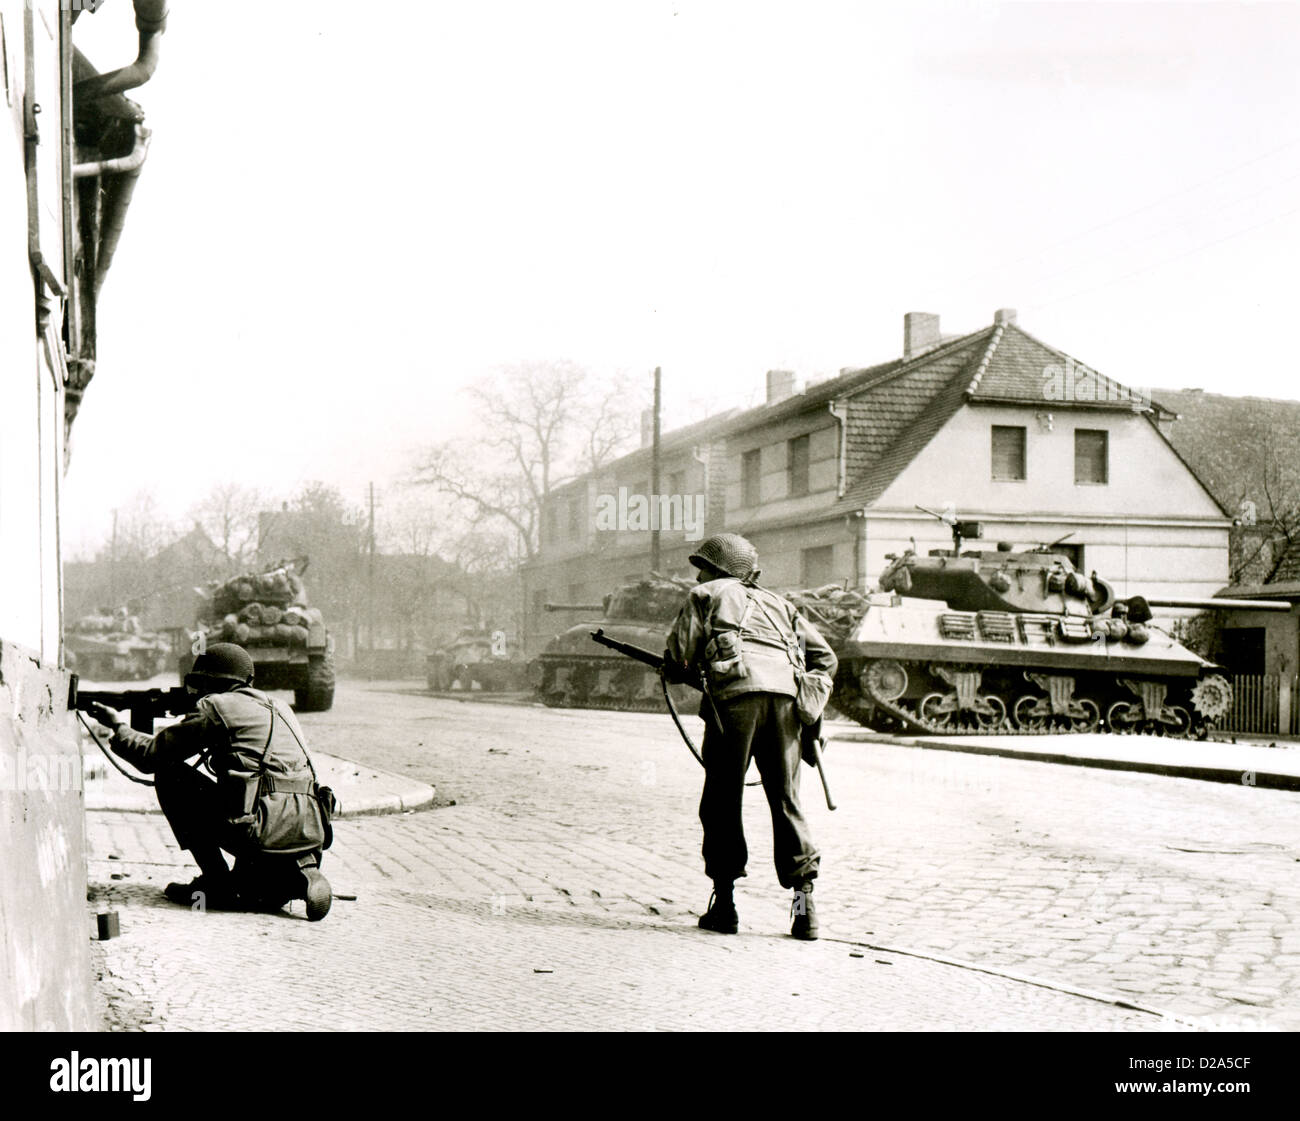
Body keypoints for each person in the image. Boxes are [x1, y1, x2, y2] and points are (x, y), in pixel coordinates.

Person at [665, 532, 838, 940]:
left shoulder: (705, 596)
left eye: (702, 568)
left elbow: (678, 657)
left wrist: (682, 668)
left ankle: (724, 907)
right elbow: (825, 658)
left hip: (735, 704)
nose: (697, 576)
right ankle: (804, 910)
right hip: (786, 708)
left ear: (718, 570)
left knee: (724, 799)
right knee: (787, 802)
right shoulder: (781, 604)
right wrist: (808, 706)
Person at [85, 643, 333, 921]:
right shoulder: (280, 707)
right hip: (310, 829)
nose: (194, 692)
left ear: (210, 682)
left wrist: (118, 726)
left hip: (259, 830)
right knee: (258, 804)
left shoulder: (215, 705)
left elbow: (150, 756)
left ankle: (217, 882)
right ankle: (301, 871)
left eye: (197, 684)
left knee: (170, 774)